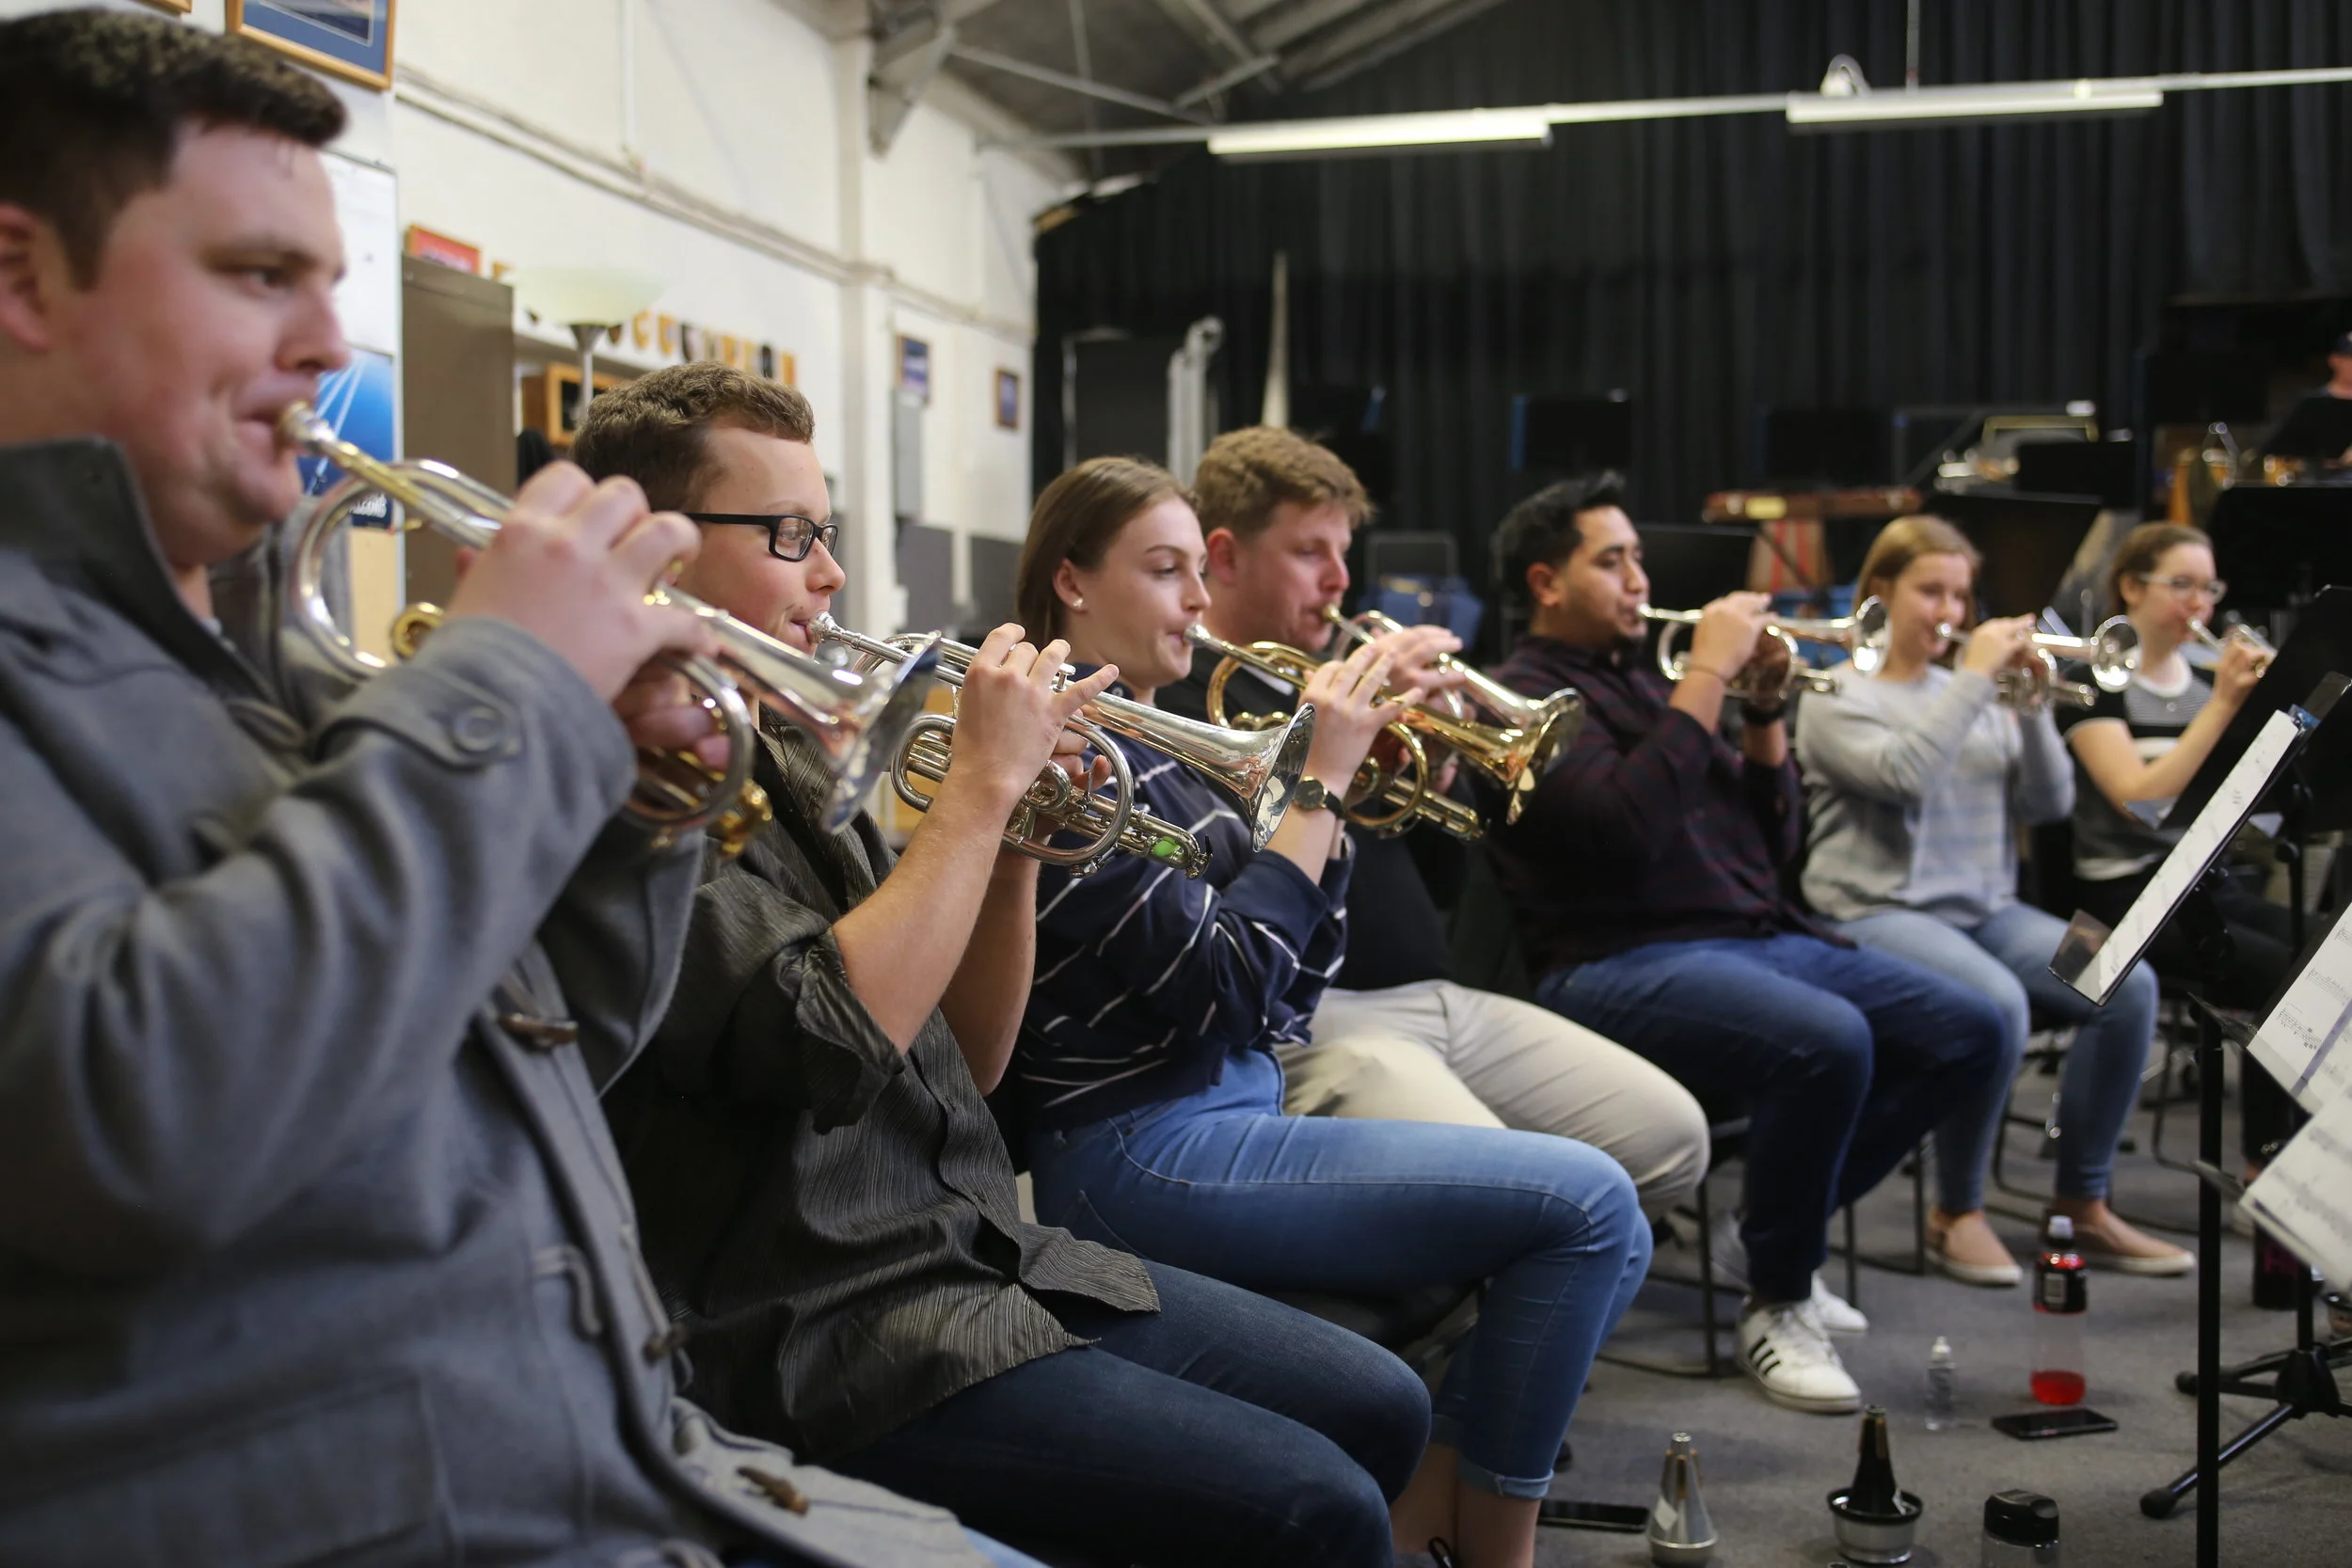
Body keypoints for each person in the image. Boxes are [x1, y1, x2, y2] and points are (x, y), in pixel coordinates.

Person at [0, 11, 1031, 1567]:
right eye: (255, 276)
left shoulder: (258, 643)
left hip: (609, 1447)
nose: (327, 351)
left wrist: (629, 811)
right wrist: (505, 695)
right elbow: (135, 1122)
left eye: (327, 286)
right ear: (22, 277)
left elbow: (548, 1048)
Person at [574, 366, 1431, 1568]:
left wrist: (1022, 845)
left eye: (828, 534)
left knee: (1383, 1403)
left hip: (980, 1248)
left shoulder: (785, 747)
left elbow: (964, 1069)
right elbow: (829, 1037)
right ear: (655, 549)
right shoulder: (623, 785)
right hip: (824, 1327)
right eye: (789, 536)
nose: (828, 575)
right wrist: (976, 793)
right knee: (1315, 1510)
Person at [1011, 455, 1652, 1568]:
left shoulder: (1172, 748)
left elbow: (1289, 994)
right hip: (1135, 1149)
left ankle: (1439, 1516)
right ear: (1070, 580)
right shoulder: (1070, 759)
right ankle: (1489, 1542)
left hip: (1231, 1106)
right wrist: (1310, 792)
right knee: (1587, 1201)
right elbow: (1231, 987)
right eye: (1166, 570)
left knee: (1606, 1217)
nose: (1199, 601)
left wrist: (1333, 804)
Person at [1481, 474, 2008, 1416]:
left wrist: (1761, 713)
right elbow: (1625, 828)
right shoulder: (1521, 697)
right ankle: (1777, 1296)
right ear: (1545, 581)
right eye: (1612, 559)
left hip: (1754, 934)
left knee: (1973, 1027)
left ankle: (1767, 1231)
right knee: (1830, 1037)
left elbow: (1772, 849)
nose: (1640, 577)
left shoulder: (1651, 679)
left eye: (1639, 555)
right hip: (1610, 962)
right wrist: (1710, 677)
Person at [1153, 425, 1708, 1217]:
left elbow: (1448, 879)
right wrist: (1329, 750)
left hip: (1437, 993)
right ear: (1228, 556)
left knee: (1672, 1136)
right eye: (1312, 553)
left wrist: (1434, 762)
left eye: (1346, 552)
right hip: (1319, 1019)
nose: (1341, 582)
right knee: (1532, 1207)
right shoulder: (1188, 693)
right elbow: (1233, 888)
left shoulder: (1335, 680)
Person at [1796, 516, 2189, 1281]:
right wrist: (1977, 681)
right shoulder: (1834, 693)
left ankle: (2083, 1200)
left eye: (1960, 593)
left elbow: (2048, 803)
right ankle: (1957, 1210)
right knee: (1999, 1005)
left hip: (1986, 909)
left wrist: (2034, 706)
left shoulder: (1971, 690)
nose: (1948, 609)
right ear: (1881, 590)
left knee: (2127, 981)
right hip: (1877, 911)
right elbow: (1906, 774)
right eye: (1930, 591)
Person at [2057, 522, 2290, 1172]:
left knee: (2326, 943)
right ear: (2131, 586)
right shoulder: (2093, 679)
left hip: (2203, 877)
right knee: (2279, 976)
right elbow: (2138, 798)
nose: (2200, 605)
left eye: (2209, 588)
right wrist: (2223, 708)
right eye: (2181, 585)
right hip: (2121, 892)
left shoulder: (2203, 678)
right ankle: (2263, 1161)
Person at [2259, 330, 2352, 466]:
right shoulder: (2313, 405)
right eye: (2350, 358)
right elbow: (2279, 451)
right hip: (2326, 481)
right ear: (2335, 360)